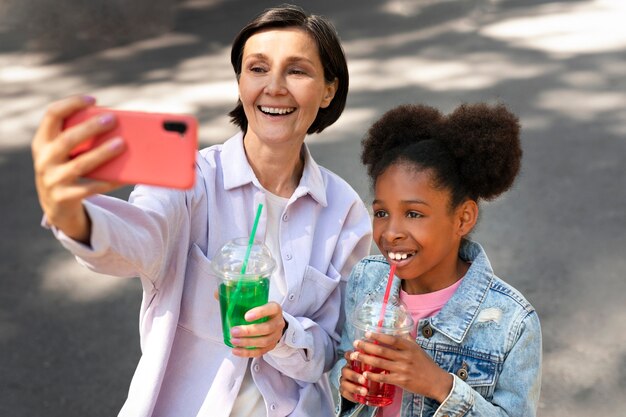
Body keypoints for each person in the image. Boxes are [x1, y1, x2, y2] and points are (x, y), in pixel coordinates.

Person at [31, 4, 372, 417]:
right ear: (241, 82)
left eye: (297, 71)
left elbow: (330, 350)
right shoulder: (187, 179)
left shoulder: (345, 211)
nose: (275, 86)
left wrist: (284, 334)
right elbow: (139, 238)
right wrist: (72, 214)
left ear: (328, 90)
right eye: (258, 68)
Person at [331, 103, 542, 416]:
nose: (391, 232)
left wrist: (439, 385)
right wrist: (345, 383)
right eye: (381, 213)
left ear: (463, 218)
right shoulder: (367, 280)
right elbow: (344, 357)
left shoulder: (512, 323)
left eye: (414, 214)